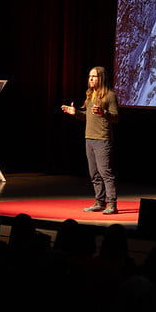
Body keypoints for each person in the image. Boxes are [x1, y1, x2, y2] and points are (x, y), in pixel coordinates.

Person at [61, 66, 120, 214]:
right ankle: (100, 202)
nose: (91, 79)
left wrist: (104, 112)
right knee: (94, 173)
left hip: (102, 139)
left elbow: (116, 117)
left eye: (94, 76)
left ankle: (111, 204)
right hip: (89, 138)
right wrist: (76, 113)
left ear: (101, 78)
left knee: (105, 172)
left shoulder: (109, 96)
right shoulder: (90, 95)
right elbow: (87, 116)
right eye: (89, 76)